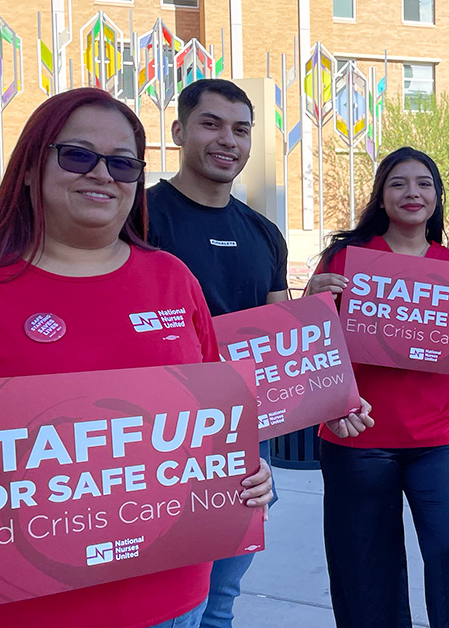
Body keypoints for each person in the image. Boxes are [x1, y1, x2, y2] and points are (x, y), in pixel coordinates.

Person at [0, 88, 275, 628]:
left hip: (168, 598)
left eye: (124, 164)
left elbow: (212, 416)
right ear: (32, 166)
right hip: (11, 604)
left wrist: (246, 471)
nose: (103, 174)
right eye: (78, 155)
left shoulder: (172, 280)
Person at [141, 78, 373, 628]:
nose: (228, 140)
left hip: (243, 439)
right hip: (157, 438)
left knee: (221, 600)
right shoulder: (139, 217)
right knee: (167, 604)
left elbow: (276, 337)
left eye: (241, 129)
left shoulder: (264, 233)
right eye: (211, 124)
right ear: (178, 131)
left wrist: (325, 374)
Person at [305, 147, 449, 628]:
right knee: (365, 573)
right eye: (399, 183)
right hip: (358, 438)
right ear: (381, 197)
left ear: (437, 197)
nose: (413, 193)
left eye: (424, 183)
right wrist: (313, 301)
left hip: (439, 439)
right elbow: (309, 349)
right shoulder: (346, 258)